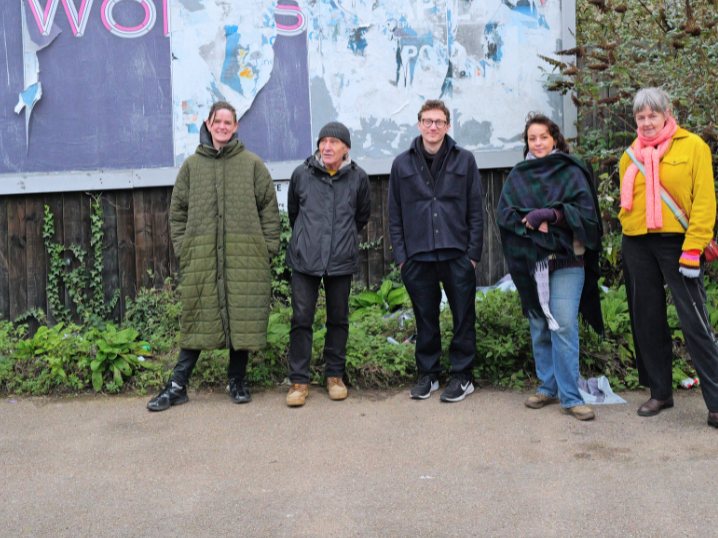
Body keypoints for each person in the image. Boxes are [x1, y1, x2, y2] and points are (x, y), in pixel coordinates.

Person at [618, 87, 718, 438]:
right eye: (640, 117)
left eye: (652, 116)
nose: (646, 122)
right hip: (637, 243)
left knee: (695, 324)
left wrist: (693, 249)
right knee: (648, 320)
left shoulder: (693, 147)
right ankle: (660, 393)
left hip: (679, 243)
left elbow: (704, 202)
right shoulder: (630, 155)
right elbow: (627, 202)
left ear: (666, 113)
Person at [148, 101, 280, 411]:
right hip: (202, 258)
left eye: (228, 122)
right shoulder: (192, 166)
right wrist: (185, 248)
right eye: (216, 121)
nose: (222, 126)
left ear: (235, 127)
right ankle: (177, 386)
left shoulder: (252, 165)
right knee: (197, 319)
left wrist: (267, 249)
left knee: (241, 318)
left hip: (245, 256)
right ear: (209, 125)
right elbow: (177, 210)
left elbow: (269, 210)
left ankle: (237, 380)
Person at [497, 113, 603, 421]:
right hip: (533, 262)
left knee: (565, 324)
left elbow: (586, 214)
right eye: (532, 138)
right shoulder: (519, 174)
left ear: (554, 138)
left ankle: (570, 397)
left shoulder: (571, 170)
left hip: (569, 261)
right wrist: (529, 223)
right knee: (539, 323)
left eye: (543, 136)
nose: (538, 142)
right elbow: (506, 215)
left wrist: (549, 215)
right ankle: (548, 386)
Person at [388, 100, 483, 403]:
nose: (432, 127)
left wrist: (472, 256)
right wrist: (402, 259)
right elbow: (394, 214)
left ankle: (462, 376)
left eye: (438, 122)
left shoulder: (464, 160)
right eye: (427, 121)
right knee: (425, 318)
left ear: (447, 126)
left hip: (457, 254)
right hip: (418, 257)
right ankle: (428, 374)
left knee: (463, 317)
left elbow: (476, 211)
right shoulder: (402, 164)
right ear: (418, 125)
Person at [283, 122, 372, 407]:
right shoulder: (302, 174)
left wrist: (340, 240)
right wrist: (308, 240)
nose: (327, 147)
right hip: (305, 258)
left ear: (346, 148)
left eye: (334, 142)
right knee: (301, 319)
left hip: (340, 259)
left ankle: (334, 375)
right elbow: (294, 214)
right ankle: (298, 380)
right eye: (323, 141)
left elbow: (361, 216)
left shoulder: (358, 178)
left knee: (338, 319)